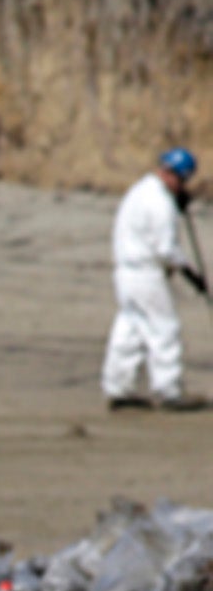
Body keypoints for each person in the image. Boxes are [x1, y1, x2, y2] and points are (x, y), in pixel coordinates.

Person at [104, 148, 204, 410]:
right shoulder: (160, 203)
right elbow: (166, 249)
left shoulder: (140, 190)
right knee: (164, 328)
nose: (180, 185)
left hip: (124, 272)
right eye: (181, 180)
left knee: (130, 328)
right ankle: (169, 390)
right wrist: (191, 275)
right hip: (145, 273)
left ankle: (119, 388)